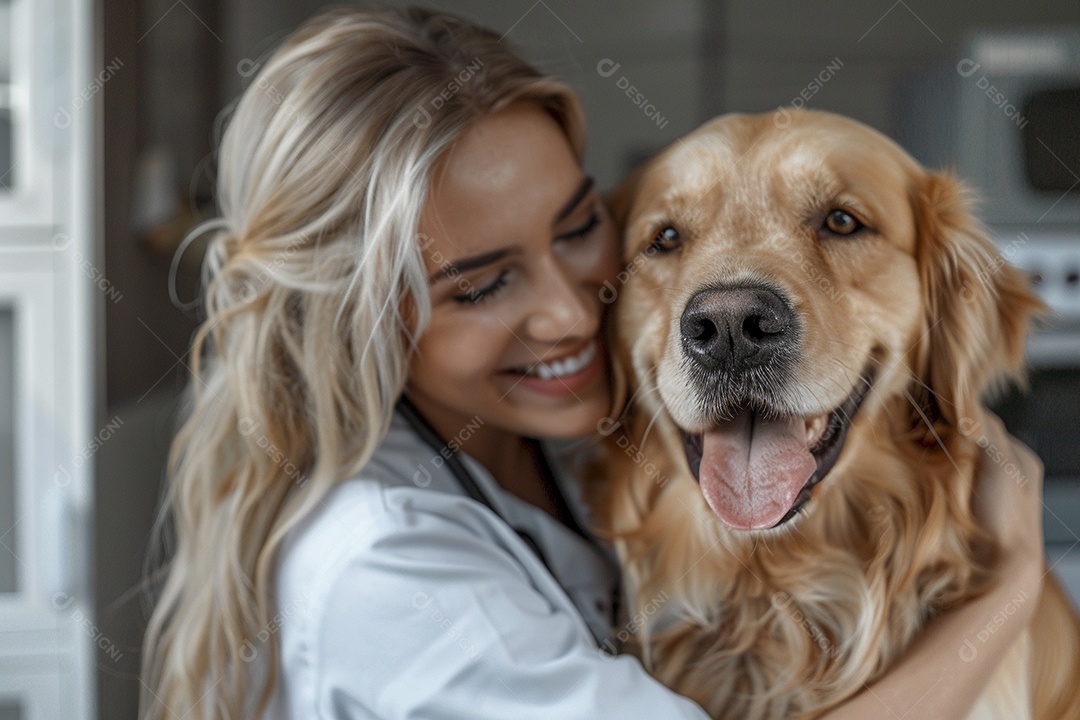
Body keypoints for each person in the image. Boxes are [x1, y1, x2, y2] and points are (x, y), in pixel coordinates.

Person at [139, 6, 1048, 720]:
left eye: (579, 229)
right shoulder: (386, 569)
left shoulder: (574, 441)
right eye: (482, 284)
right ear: (359, 322)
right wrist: (1007, 592)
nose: (578, 312)